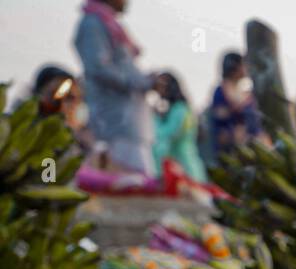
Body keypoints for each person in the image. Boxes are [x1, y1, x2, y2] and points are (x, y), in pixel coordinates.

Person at [73, 0, 162, 175]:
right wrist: (143, 82)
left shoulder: (107, 23)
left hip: (130, 126)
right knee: (128, 187)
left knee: (138, 186)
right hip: (116, 124)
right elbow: (99, 68)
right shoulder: (93, 23)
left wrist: (145, 80)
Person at [151, 72, 206, 182]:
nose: (158, 91)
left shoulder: (180, 110)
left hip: (184, 168)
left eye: (161, 86)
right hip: (181, 167)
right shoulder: (178, 109)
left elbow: (168, 134)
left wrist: (154, 119)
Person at [209, 52, 261, 157]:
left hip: (252, 148)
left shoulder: (246, 93)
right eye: (244, 65)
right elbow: (220, 119)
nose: (247, 68)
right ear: (235, 67)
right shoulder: (221, 92)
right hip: (230, 150)